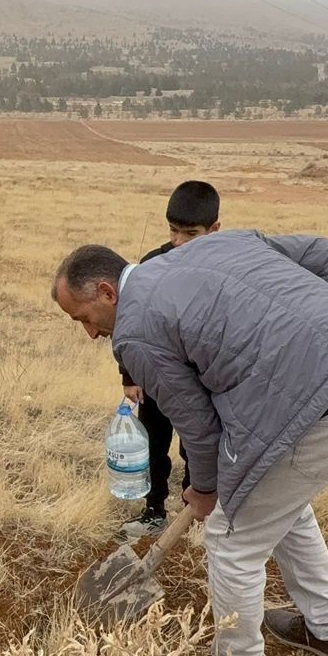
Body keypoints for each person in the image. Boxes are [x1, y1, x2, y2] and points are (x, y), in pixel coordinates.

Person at [52, 231, 328, 656]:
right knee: (277, 503)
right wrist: (313, 342)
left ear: (106, 292)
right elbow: (323, 253)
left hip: (324, 407)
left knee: (230, 537)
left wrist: (204, 489)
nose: (91, 333)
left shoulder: (135, 331)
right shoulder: (212, 246)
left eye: (84, 318)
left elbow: (197, 425)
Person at [119, 180, 221, 539]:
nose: (178, 242)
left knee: (197, 447)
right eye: (173, 230)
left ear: (215, 229)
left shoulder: (224, 268)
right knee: (153, 444)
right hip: (155, 377)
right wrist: (129, 376)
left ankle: (196, 515)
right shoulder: (152, 264)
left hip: (203, 381)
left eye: (191, 234)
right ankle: (154, 510)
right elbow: (131, 323)